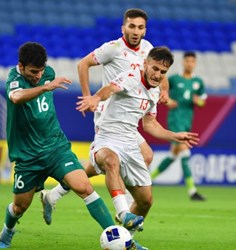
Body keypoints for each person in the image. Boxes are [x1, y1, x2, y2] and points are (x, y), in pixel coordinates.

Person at [40, 8, 168, 227]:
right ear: (123, 27)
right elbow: (83, 64)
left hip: (127, 116)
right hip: (108, 114)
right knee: (119, 159)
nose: (136, 31)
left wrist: (164, 90)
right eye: (131, 26)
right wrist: (89, 97)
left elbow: (158, 71)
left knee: (116, 161)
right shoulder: (113, 48)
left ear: (145, 30)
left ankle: (54, 194)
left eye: (140, 27)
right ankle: (125, 208)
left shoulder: (148, 49)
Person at [0, 42, 118, 249]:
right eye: (33, 72)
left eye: (41, 71)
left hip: (55, 147)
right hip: (28, 156)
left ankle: (120, 239)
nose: (38, 75)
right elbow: (16, 98)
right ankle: (7, 231)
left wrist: (45, 81)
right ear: (21, 66)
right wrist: (44, 86)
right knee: (19, 206)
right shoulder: (13, 79)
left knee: (84, 187)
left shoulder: (47, 72)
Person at [76, 47, 199, 249]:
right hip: (107, 137)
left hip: (131, 143)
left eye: (163, 72)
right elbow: (110, 89)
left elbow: (150, 124)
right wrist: (95, 98)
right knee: (110, 161)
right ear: (145, 64)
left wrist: (173, 135)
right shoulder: (131, 77)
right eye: (155, 68)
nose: (157, 75)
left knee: (145, 201)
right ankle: (123, 213)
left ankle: (127, 241)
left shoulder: (155, 91)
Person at [150, 51, 207, 201]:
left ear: (195, 63)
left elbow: (203, 101)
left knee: (174, 155)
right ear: (183, 62)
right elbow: (161, 89)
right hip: (175, 121)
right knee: (184, 151)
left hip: (187, 121)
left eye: (192, 62)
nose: (189, 64)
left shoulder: (198, 82)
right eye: (187, 61)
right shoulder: (174, 79)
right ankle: (192, 191)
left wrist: (198, 101)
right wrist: (168, 101)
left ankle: (148, 180)